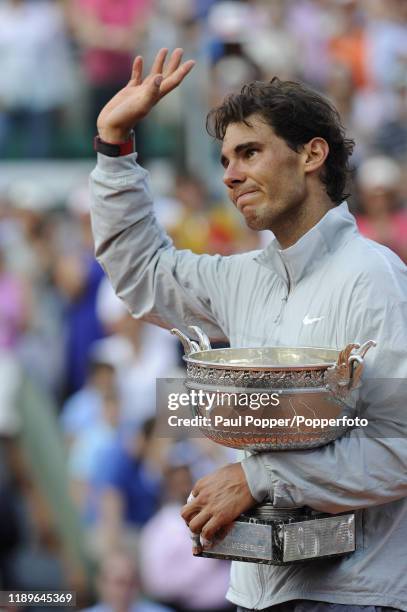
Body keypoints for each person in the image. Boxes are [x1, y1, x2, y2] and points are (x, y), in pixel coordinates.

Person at [89, 49, 407, 611]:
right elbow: (142, 273)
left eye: (250, 152)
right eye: (225, 160)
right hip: (252, 591)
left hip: (355, 596)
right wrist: (114, 147)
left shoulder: (374, 276)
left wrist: (259, 478)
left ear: (311, 154)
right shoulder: (244, 276)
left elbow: (399, 448)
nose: (231, 175)